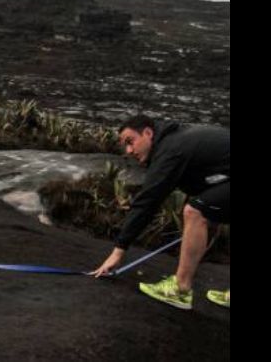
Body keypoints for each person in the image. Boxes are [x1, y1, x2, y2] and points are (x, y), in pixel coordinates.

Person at [89, 114, 230, 310]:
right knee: (201, 208)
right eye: (125, 145)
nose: (129, 150)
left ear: (148, 133)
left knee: (195, 211)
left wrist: (118, 251)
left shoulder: (170, 149)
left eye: (131, 142)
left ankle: (180, 290)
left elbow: (148, 201)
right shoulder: (175, 141)